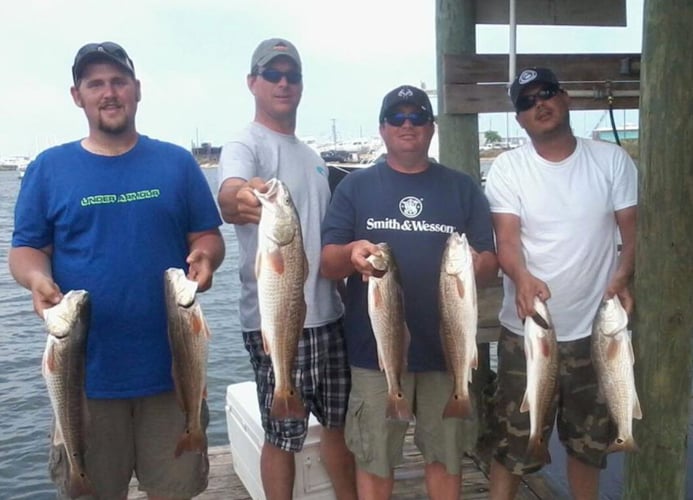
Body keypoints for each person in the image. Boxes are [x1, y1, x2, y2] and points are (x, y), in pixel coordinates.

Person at [9, 41, 225, 499]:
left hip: (173, 376)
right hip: (83, 380)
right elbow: (26, 248)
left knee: (176, 491)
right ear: (77, 95)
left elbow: (207, 236)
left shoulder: (176, 163)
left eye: (118, 82)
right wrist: (36, 279)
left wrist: (206, 257)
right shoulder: (49, 168)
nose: (109, 93)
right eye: (96, 84)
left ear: (137, 90)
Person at [320, 84, 499, 499]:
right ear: (382, 128)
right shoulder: (355, 187)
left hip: (447, 352)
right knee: (375, 459)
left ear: (431, 128)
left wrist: (477, 264)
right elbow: (328, 263)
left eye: (417, 117)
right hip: (375, 354)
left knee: (446, 458)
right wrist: (351, 252)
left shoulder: (462, 187)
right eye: (397, 118)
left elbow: (489, 264)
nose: (407, 125)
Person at [484, 67, 638, 500]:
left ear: (565, 98)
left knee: (588, 447)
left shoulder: (612, 160)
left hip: (599, 332)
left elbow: (631, 231)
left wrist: (625, 274)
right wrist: (522, 276)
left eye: (546, 93)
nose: (539, 104)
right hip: (528, 331)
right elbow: (507, 242)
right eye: (527, 101)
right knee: (513, 443)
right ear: (519, 118)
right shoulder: (508, 169)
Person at [216, 38, 357, 500]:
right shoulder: (245, 143)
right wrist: (242, 196)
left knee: (339, 427)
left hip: (329, 315)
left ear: (300, 85)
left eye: (291, 75)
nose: (282, 83)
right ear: (251, 82)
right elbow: (232, 195)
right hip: (274, 321)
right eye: (271, 74)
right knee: (283, 435)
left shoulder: (314, 158)